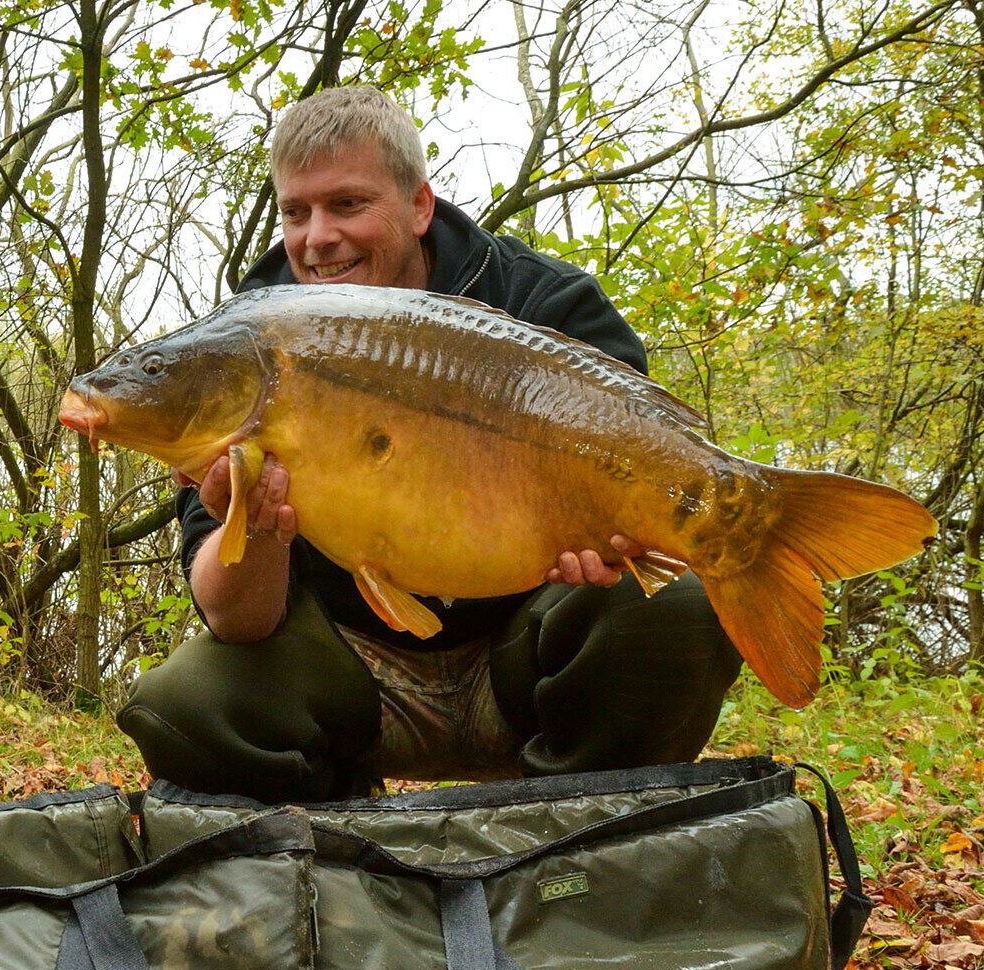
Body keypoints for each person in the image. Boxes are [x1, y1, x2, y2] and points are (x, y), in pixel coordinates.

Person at [116, 85, 743, 803]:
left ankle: (569, 846)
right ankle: (350, 860)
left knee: (678, 605)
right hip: (356, 676)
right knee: (182, 706)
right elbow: (237, 618)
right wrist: (256, 528)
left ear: (419, 206)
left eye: (347, 204)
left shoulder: (542, 305)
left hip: (524, 660)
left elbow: (643, 477)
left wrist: (603, 537)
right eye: (296, 212)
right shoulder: (241, 354)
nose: (317, 237)